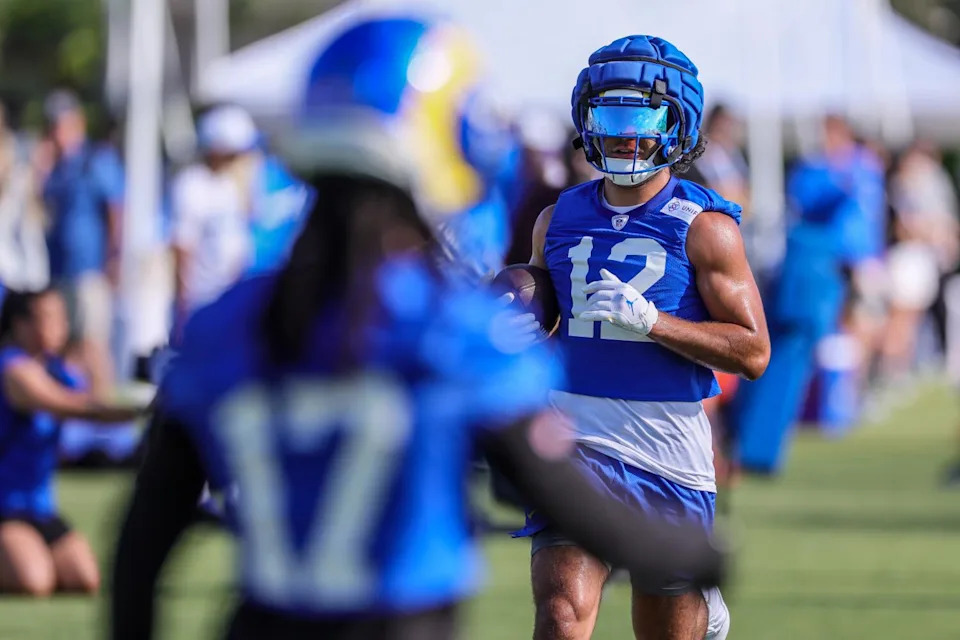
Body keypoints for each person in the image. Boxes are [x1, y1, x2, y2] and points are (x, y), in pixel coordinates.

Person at [109, 18, 725, 640]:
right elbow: (560, 494)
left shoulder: (223, 325)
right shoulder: (453, 329)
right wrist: (695, 554)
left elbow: (142, 539)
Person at [506, 35, 769, 640]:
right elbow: (543, 318)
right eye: (610, 118)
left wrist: (655, 323)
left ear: (676, 124)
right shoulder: (557, 217)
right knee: (561, 612)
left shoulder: (706, 227)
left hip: (665, 445)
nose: (625, 136)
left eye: (642, 119)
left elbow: (754, 352)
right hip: (574, 437)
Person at [0, 288, 143, 596]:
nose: (59, 327)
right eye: (48, 318)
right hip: (5, 507)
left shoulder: (55, 369)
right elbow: (73, 406)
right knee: (33, 582)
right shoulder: (11, 368)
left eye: (61, 318)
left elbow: (95, 401)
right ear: (20, 324)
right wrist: (143, 409)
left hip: (40, 509)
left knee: (85, 579)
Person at [41, 90, 124, 399]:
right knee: (65, 347)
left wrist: (114, 261)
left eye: (61, 125)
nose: (57, 133)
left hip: (89, 269)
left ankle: (106, 411)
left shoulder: (96, 160)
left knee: (93, 343)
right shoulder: (57, 168)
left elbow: (116, 212)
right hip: (60, 271)